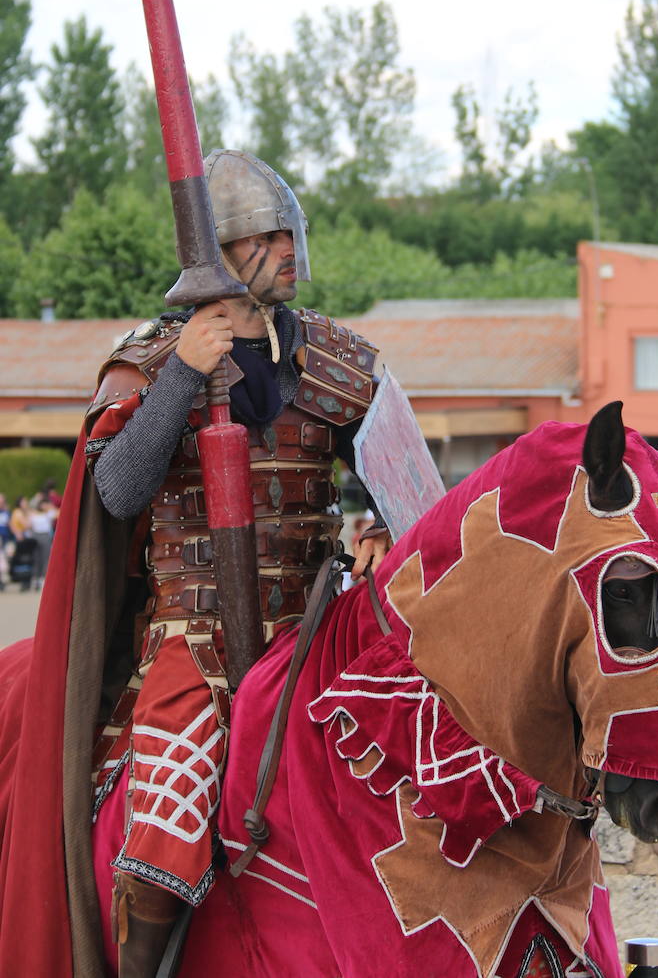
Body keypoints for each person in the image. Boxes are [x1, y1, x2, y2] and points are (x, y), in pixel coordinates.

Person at [69, 150, 389, 978]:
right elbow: (117, 491)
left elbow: (403, 474)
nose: (289, 249)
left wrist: (386, 521)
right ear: (221, 250)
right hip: (193, 647)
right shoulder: (148, 360)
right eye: (268, 235)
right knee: (169, 829)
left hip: (316, 636)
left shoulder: (336, 360)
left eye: (292, 232)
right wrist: (183, 374)